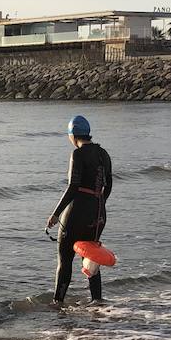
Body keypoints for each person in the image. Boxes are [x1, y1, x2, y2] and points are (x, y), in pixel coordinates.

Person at [45, 114, 112, 305]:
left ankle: (57, 303)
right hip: (98, 214)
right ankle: (97, 302)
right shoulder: (104, 154)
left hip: (76, 214)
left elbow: (73, 187)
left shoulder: (78, 154)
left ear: (73, 135)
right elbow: (109, 186)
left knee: (65, 261)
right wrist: (98, 205)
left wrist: (56, 214)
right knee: (91, 257)